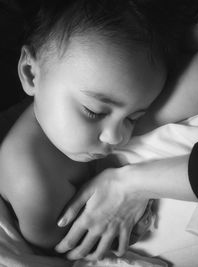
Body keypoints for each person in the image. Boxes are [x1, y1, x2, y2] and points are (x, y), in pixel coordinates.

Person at [0, 0, 173, 265]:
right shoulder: (32, 183)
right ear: (31, 75)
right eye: (94, 112)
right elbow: (70, 248)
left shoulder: (60, 115)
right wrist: (130, 230)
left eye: (133, 118)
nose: (117, 138)